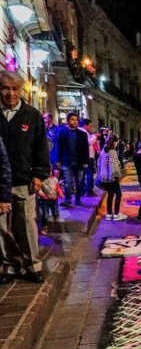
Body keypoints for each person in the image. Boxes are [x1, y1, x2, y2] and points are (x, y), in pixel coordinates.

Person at [0, 71, 51, 283]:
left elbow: (41, 148)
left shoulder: (32, 115)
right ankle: (9, 264)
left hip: (24, 180)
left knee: (26, 224)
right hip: (0, 182)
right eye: (5, 88)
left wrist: (39, 175)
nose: (11, 94)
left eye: (15, 89)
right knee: (2, 228)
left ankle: (32, 264)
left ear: (21, 90)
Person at [55, 111, 89, 207]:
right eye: (72, 120)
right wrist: (58, 160)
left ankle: (78, 200)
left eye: (76, 120)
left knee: (79, 182)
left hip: (80, 162)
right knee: (67, 182)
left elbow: (85, 148)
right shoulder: (62, 132)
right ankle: (68, 200)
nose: (74, 122)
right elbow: (59, 146)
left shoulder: (82, 134)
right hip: (67, 161)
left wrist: (86, 161)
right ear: (68, 120)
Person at [97, 134, 126, 221]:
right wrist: (117, 175)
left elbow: (99, 163)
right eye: (116, 142)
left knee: (110, 195)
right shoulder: (112, 151)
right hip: (112, 176)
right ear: (114, 142)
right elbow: (113, 165)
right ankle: (116, 214)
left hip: (104, 177)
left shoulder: (103, 151)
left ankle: (109, 213)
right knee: (118, 194)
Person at [37, 166, 64, 233]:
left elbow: (58, 188)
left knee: (55, 213)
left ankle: (56, 225)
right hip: (45, 200)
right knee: (45, 214)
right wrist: (43, 195)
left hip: (54, 200)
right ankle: (44, 227)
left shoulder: (55, 179)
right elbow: (39, 190)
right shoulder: (42, 180)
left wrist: (61, 194)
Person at [79, 117, 98, 196]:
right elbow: (89, 142)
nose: (91, 128)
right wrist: (95, 136)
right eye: (90, 126)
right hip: (88, 156)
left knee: (82, 175)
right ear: (85, 125)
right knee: (89, 173)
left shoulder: (79, 132)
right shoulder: (84, 132)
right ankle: (89, 191)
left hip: (82, 156)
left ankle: (82, 191)